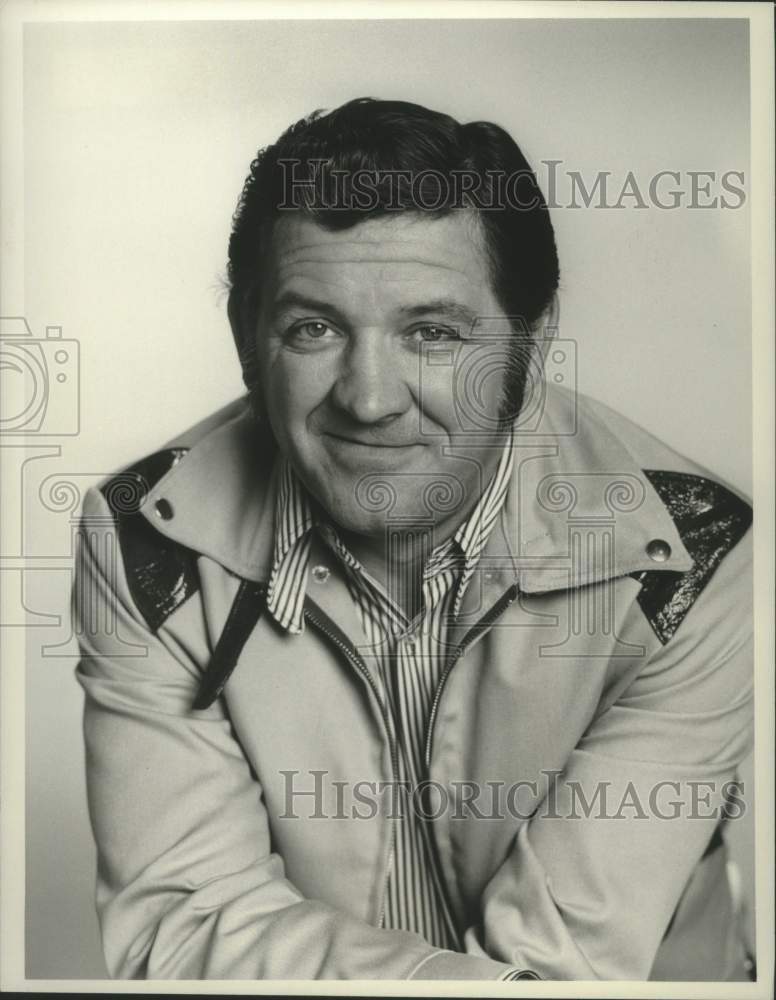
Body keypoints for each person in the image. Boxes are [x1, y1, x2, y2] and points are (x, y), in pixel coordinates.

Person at [74, 98, 753, 981]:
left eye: (432, 334)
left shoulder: (687, 558)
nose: (368, 398)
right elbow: (185, 925)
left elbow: (568, 970)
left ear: (531, 345)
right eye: (313, 328)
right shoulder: (144, 544)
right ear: (249, 343)